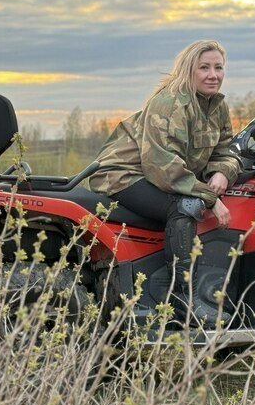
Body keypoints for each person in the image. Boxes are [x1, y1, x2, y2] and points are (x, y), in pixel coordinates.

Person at [89, 40, 241, 327]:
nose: (213, 75)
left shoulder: (217, 107)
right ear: (188, 70)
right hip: (125, 174)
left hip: (158, 174)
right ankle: (181, 298)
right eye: (204, 68)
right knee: (185, 207)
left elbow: (226, 151)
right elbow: (162, 166)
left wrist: (223, 171)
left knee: (191, 200)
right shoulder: (170, 103)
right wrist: (211, 197)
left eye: (218, 68)